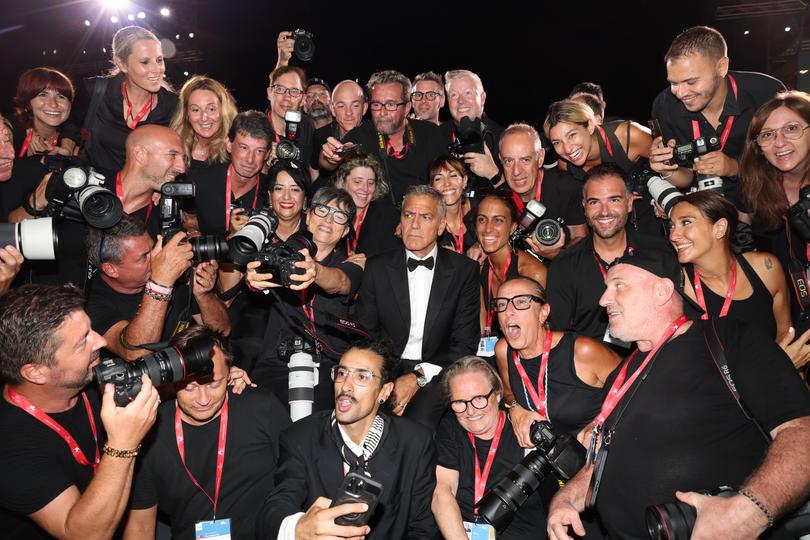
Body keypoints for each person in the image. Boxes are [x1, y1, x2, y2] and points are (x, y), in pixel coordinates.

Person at [546, 247, 810, 540]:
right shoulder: (620, 376)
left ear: (662, 290)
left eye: (618, 286)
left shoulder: (728, 339)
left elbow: (800, 431)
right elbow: (603, 464)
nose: (603, 299)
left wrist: (750, 512)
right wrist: (566, 498)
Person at [0, 284, 159, 538]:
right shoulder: (11, 446)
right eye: (82, 341)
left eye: (91, 328)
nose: (102, 341)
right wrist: (123, 445)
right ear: (36, 372)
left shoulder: (90, 381)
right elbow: (83, 535)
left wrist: (223, 376)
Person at [257, 338, 437, 538]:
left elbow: (423, 529)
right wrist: (298, 528)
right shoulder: (301, 437)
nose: (345, 386)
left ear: (384, 391)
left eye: (362, 377)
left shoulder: (415, 442)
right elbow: (276, 508)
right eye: (342, 373)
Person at [123, 326, 289, 539]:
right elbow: (140, 526)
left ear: (231, 373)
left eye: (214, 384)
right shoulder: (148, 429)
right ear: (172, 381)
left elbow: (300, 479)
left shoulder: (260, 409)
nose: (203, 400)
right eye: (190, 388)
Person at [357, 185, 479, 429]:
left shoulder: (463, 271)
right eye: (408, 215)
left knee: (418, 425)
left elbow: (464, 343)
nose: (414, 225)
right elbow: (365, 334)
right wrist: (383, 379)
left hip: (438, 368)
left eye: (426, 217)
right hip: (385, 367)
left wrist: (417, 378)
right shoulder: (376, 268)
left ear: (442, 225)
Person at [8, 124, 187, 286]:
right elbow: (11, 232)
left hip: (108, 317)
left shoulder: (165, 215)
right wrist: (36, 204)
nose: (182, 168)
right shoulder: (80, 183)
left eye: (183, 159)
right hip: (48, 307)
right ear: (140, 154)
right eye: (173, 155)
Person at [246, 186, 364, 412]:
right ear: (308, 215)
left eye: (338, 216)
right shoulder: (279, 253)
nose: (328, 220)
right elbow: (257, 278)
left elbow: (341, 282)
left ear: (346, 230)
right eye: (322, 210)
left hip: (330, 363)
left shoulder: (353, 264)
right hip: (277, 365)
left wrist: (315, 271)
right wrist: (253, 279)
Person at [669, 191, 810, 367]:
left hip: (772, 389)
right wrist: (778, 367)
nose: (673, 236)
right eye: (672, 226)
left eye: (686, 222)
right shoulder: (675, 290)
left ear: (719, 228)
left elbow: (785, 336)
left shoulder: (765, 269)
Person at [649, 25, 785, 206]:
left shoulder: (767, 93)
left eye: (691, 81)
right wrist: (667, 170)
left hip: (769, 203)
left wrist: (734, 167)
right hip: (707, 210)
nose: (681, 93)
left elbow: (789, 156)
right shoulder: (665, 107)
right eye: (674, 83)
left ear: (721, 67)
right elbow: (686, 177)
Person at [547, 163, 676, 342]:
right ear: (584, 207)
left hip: (655, 359)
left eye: (614, 200)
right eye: (594, 202)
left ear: (629, 203)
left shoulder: (660, 252)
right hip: (592, 365)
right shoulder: (564, 266)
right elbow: (558, 338)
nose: (604, 211)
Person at [83, 214, 230, 360]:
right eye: (143, 257)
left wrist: (204, 295)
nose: (155, 257)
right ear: (111, 269)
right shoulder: (91, 304)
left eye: (153, 248)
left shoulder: (173, 275)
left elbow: (222, 332)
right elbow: (137, 353)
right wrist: (160, 284)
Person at [493, 277, 620, 445]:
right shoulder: (503, 350)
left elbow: (635, 391)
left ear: (543, 312)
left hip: (598, 452)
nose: (508, 311)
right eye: (501, 304)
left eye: (521, 302)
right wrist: (515, 408)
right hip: (548, 458)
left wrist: (598, 424)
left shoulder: (582, 351)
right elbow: (509, 392)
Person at [433, 356, 548, 540]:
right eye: (459, 402)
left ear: (497, 394)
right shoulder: (451, 426)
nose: (470, 411)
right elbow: (443, 492)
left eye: (479, 399)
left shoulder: (523, 431)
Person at [739, 91, 810, 350]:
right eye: (767, 135)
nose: (779, 143)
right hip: (786, 321)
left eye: (792, 129)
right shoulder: (752, 190)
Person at [545, 99, 672, 237]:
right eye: (557, 142)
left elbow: (682, 173)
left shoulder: (628, 137)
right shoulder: (565, 165)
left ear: (590, 125)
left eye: (572, 135)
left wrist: (672, 204)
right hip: (613, 228)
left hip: (656, 217)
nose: (567, 149)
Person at [320, 70, 447, 204]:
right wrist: (328, 157)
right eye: (376, 105)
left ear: (407, 107)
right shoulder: (361, 135)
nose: (382, 112)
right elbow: (328, 164)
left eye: (391, 104)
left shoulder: (431, 134)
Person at [82, 26, 178, 172]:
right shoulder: (95, 91)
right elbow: (71, 128)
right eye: (145, 62)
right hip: (96, 189)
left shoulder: (173, 105)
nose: (156, 69)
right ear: (122, 64)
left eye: (159, 60)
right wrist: (66, 145)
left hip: (148, 193)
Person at [500, 123, 587, 261]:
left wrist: (559, 255)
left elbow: (581, 238)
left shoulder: (568, 188)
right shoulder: (499, 199)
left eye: (525, 160)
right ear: (501, 160)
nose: (516, 171)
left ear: (540, 158)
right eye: (509, 161)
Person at [476, 192, 547, 336]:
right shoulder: (479, 266)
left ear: (513, 227)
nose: (488, 228)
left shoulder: (532, 272)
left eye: (498, 220)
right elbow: (480, 327)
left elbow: (534, 332)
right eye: (482, 219)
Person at [191, 110, 271, 236]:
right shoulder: (200, 180)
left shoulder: (271, 192)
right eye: (244, 148)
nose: (250, 159)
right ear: (229, 145)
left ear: (267, 154)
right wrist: (192, 233)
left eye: (259, 151)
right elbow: (188, 219)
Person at [442, 69, 504, 192]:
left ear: (482, 98)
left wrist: (493, 173)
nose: (461, 101)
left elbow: (519, 200)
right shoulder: (437, 135)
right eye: (454, 95)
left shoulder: (503, 138)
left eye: (468, 93)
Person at [333, 151, 399, 257]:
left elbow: (391, 259)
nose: (365, 189)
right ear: (343, 182)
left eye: (370, 183)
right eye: (357, 182)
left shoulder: (387, 215)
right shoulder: (332, 211)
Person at [170, 75, 238, 169]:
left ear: (224, 111)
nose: (204, 118)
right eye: (195, 110)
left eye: (211, 109)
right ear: (186, 114)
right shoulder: (174, 146)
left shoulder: (236, 149)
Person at [12, 67, 80, 159]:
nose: (53, 104)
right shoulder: (10, 132)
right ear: (28, 102)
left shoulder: (75, 142)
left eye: (61, 96)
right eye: (43, 95)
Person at [266, 66, 317, 178]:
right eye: (280, 89)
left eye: (294, 91)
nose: (287, 97)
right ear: (270, 93)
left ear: (303, 99)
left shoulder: (308, 127)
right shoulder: (256, 128)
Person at [431, 155, 477, 255]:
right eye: (438, 178)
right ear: (432, 187)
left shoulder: (480, 208)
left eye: (453, 176)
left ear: (464, 181)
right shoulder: (429, 224)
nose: (447, 183)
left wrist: (481, 245)